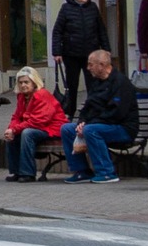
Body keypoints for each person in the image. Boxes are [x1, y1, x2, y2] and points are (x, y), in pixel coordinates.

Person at [59, 50, 138, 184]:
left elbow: (117, 113)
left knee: (91, 130)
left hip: (122, 128)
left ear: (102, 65)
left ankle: (106, 172)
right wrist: (82, 121)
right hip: (99, 124)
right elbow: (88, 106)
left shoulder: (121, 83)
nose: (88, 68)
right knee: (67, 128)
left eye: (91, 64)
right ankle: (81, 171)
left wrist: (89, 125)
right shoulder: (96, 82)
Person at [50, 0, 109, 116]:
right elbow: (57, 31)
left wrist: (106, 49)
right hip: (71, 53)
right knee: (72, 84)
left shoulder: (93, 7)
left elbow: (101, 30)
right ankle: (70, 111)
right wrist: (56, 52)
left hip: (91, 53)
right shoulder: (66, 8)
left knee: (93, 83)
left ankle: (93, 110)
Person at [3, 65, 67, 182]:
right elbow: (17, 116)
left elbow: (39, 120)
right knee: (12, 136)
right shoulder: (22, 97)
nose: (23, 85)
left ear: (34, 82)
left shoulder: (42, 94)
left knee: (27, 133)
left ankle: (28, 173)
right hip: (38, 127)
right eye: (20, 82)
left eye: (26, 82)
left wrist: (15, 129)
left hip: (51, 129)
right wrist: (11, 130)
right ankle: (17, 171)